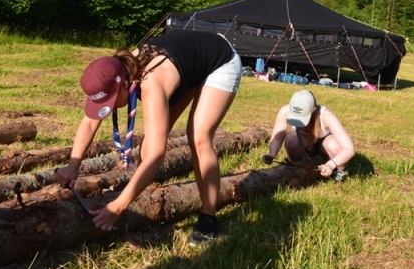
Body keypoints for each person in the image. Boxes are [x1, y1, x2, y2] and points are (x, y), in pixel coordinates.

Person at [55, 30, 242, 246]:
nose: (108, 108)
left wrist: (119, 206)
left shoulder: (152, 85)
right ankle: (140, 190)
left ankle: (209, 219)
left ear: (124, 86)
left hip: (219, 61)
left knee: (198, 138)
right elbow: (89, 122)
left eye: (110, 102)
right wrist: (73, 166)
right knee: (145, 149)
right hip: (187, 64)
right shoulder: (116, 70)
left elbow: (156, 156)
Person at [262, 89, 355, 180]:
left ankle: (339, 171)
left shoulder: (326, 116)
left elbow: (349, 149)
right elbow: (277, 137)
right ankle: (298, 166)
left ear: (313, 110)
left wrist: (331, 164)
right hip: (305, 142)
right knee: (291, 139)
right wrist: (272, 153)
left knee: (334, 146)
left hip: (325, 143)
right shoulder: (285, 111)